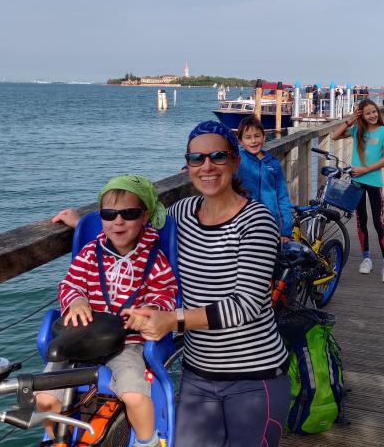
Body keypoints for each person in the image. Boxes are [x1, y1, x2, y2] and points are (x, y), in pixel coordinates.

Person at [52, 121, 290, 446]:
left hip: (253, 376)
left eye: (218, 156)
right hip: (199, 374)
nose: (207, 166)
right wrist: (91, 224)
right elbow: (137, 229)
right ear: (187, 165)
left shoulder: (257, 220)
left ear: (235, 162)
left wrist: (172, 319)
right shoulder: (181, 214)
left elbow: (245, 305)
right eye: (197, 158)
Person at [39, 175, 177, 447]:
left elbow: (166, 294)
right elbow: (70, 283)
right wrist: (77, 300)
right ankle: (55, 439)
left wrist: (148, 310)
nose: (118, 221)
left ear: (144, 216)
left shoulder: (154, 259)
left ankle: (146, 440)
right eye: (109, 214)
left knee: (134, 396)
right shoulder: (90, 253)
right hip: (79, 340)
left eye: (129, 213)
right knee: (44, 397)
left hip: (127, 344)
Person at [329, 98, 384, 283]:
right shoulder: (357, 130)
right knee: (361, 220)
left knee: (378, 222)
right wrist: (350, 120)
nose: (372, 115)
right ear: (361, 115)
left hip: (373, 182)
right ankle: (366, 258)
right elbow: (334, 136)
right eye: (367, 113)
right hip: (356, 183)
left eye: (374, 112)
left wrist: (365, 169)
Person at [236, 115, 293, 242]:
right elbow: (216, 162)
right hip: (245, 224)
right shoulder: (236, 161)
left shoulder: (273, 163)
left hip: (272, 224)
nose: (253, 141)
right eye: (248, 137)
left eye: (257, 136)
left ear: (264, 137)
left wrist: (286, 230)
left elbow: (282, 197)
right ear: (240, 141)